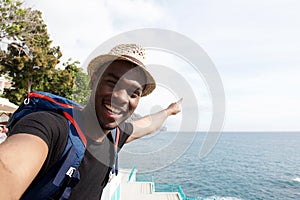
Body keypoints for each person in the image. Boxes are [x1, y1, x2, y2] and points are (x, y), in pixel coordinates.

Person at [0, 44, 182, 199]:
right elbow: (8, 166)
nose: (120, 97)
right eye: (113, 83)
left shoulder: (115, 136)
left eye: (134, 93)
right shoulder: (50, 127)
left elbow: (146, 124)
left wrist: (169, 110)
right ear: (94, 81)